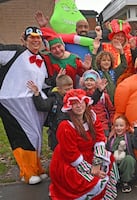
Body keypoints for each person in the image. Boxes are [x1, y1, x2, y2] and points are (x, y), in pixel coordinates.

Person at [49, 89, 119, 199]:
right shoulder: (65, 126)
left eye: (81, 102)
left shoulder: (91, 117)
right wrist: (91, 170)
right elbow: (71, 155)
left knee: (108, 159)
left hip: (89, 154)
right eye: (74, 103)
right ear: (69, 107)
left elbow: (100, 138)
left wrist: (97, 162)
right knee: (91, 180)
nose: (79, 106)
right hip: (69, 161)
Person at [0, 26, 48, 184]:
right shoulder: (15, 51)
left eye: (38, 38)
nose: (35, 40)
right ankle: (27, 172)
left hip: (33, 103)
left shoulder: (41, 59)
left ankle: (36, 168)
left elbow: (44, 82)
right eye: (31, 37)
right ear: (24, 40)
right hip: (12, 102)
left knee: (35, 136)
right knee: (21, 135)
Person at [27, 74, 73, 151]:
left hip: (70, 130)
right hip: (56, 131)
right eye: (66, 89)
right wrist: (37, 94)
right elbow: (42, 106)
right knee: (58, 150)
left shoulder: (73, 98)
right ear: (58, 89)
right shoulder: (53, 99)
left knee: (70, 148)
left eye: (71, 88)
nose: (69, 91)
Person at [106, 115, 136, 193]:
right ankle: (112, 180)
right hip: (114, 161)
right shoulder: (111, 137)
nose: (119, 128)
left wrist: (136, 133)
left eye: (121, 125)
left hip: (124, 161)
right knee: (108, 160)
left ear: (126, 127)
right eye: (116, 126)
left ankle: (125, 182)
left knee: (129, 159)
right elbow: (107, 149)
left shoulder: (129, 137)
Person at [80, 70, 115, 137]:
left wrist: (112, 123)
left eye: (91, 80)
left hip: (103, 125)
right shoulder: (82, 96)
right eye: (87, 80)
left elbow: (111, 110)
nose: (89, 82)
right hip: (88, 126)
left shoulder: (104, 96)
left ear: (96, 82)